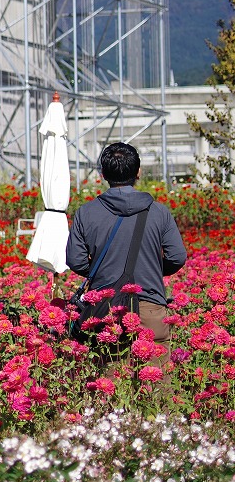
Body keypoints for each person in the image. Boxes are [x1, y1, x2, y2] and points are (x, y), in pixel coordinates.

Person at [65, 142, 187, 363]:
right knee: (155, 378)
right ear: (138, 172)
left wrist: (103, 272)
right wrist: (153, 269)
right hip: (151, 305)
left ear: (103, 174)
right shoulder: (159, 212)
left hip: (107, 311)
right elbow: (177, 257)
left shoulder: (86, 213)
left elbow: (75, 260)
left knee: (111, 378)